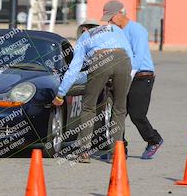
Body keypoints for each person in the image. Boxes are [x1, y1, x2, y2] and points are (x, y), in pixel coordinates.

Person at [52, 20, 135, 163]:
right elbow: (130, 54)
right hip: (123, 60)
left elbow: (74, 68)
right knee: (120, 109)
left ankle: (84, 152)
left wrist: (60, 93)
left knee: (88, 107)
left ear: (85, 29)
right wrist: (127, 79)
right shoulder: (114, 28)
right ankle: (117, 154)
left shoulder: (85, 36)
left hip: (100, 59)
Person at [101, 0, 163, 159]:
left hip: (142, 76)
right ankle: (120, 149)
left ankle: (154, 140)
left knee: (137, 114)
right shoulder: (117, 31)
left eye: (110, 17)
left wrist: (125, 78)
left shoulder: (137, 30)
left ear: (119, 14)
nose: (109, 21)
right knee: (118, 113)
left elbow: (138, 57)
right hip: (125, 75)